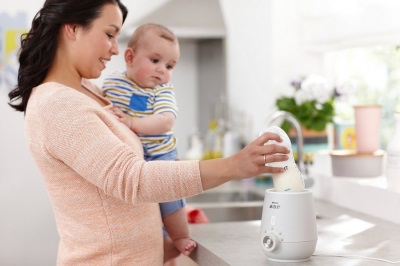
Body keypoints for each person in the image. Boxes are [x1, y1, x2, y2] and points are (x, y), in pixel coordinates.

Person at [7, 0, 290, 265]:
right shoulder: (57, 104)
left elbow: (116, 196)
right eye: (109, 34)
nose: (116, 49)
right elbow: (132, 180)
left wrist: (159, 236)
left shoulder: (87, 92)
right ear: (72, 28)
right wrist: (233, 166)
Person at [101, 23, 196, 258]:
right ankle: (160, 240)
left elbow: (165, 122)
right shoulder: (113, 84)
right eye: (155, 61)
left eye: (169, 65)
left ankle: (180, 236)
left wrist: (132, 123)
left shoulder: (162, 91)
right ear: (130, 57)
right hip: (133, 159)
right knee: (143, 210)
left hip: (160, 154)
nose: (162, 70)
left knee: (169, 199)